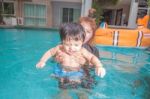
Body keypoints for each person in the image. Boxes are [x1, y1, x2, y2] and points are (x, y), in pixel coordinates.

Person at [36, 23, 106, 84]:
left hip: (76, 72)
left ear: (82, 42)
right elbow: (50, 52)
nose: (72, 48)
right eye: (68, 44)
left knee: (78, 86)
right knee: (63, 87)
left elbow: (92, 57)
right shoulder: (60, 48)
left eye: (76, 45)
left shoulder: (82, 50)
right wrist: (42, 61)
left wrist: (99, 66)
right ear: (62, 41)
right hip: (61, 71)